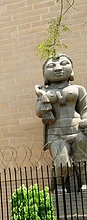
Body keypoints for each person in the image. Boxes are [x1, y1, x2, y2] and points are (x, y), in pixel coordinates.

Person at [35, 54, 87, 191]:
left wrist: (85, 122)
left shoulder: (78, 89)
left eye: (63, 63)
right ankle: (59, 186)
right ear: (44, 74)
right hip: (56, 133)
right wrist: (41, 96)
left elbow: (85, 109)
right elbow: (40, 112)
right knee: (61, 163)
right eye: (51, 66)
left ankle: (84, 183)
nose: (58, 68)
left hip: (77, 130)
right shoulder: (45, 91)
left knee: (82, 162)